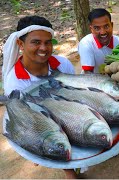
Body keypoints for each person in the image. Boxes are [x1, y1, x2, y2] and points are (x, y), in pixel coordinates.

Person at [2, 15, 76, 179]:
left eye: (48, 42)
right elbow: (29, 120)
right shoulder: (15, 84)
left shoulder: (63, 64)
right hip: (41, 121)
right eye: (36, 42)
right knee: (58, 145)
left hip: (70, 110)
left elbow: (74, 91)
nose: (44, 48)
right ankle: (69, 172)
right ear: (20, 44)